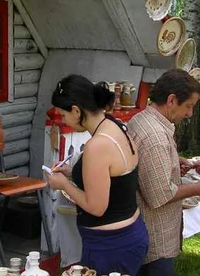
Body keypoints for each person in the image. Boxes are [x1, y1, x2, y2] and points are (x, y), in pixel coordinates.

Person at [46, 75, 148, 275]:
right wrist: (72, 173)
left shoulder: (97, 145)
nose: (63, 120)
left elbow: (96, 207)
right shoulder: (115, 125)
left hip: (110, 246)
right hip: (126, 236)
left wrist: (64, 185)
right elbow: (115, 179)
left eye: (63, 115)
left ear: (76, 111)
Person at [128, 69, 200, 276]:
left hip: (142, 233)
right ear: (171, 100)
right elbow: (159, 195)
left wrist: (172, 162)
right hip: (155, 239)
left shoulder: (142, 119)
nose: (190, 114)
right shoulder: (156, 137)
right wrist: (199, 188)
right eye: (188, 106)